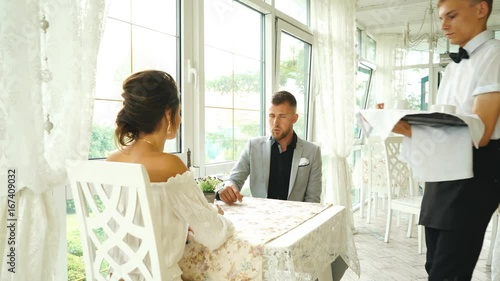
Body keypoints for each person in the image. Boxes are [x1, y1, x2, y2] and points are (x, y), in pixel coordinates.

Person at [393, 0, 500, 279]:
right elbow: (443, 123)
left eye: (451, 16)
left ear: (480, 10)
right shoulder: (453, 67)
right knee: (434, 266)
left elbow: (482, 132)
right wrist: (404, 127)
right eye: (441, 17)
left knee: (449, 272)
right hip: (441, 174)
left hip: (472, 176)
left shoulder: (495, 55)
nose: (443, 25)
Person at [107, 70, 234, 281]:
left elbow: (137, 221)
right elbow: (213, 236)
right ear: (168, 113)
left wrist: (181, 225)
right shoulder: (170, 165)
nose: (180, 118)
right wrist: (216, 214)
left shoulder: (112, 160)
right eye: (179, 111)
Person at [217, 90, 323, 204]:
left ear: (294, 118)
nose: (275, 123)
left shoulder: (312, 151)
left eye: (282, 116)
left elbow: (313, 200)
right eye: (272, 116)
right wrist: (228, 187)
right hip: (261, 217)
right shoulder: (253, 146)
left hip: (297, 217)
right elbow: (234, 180)